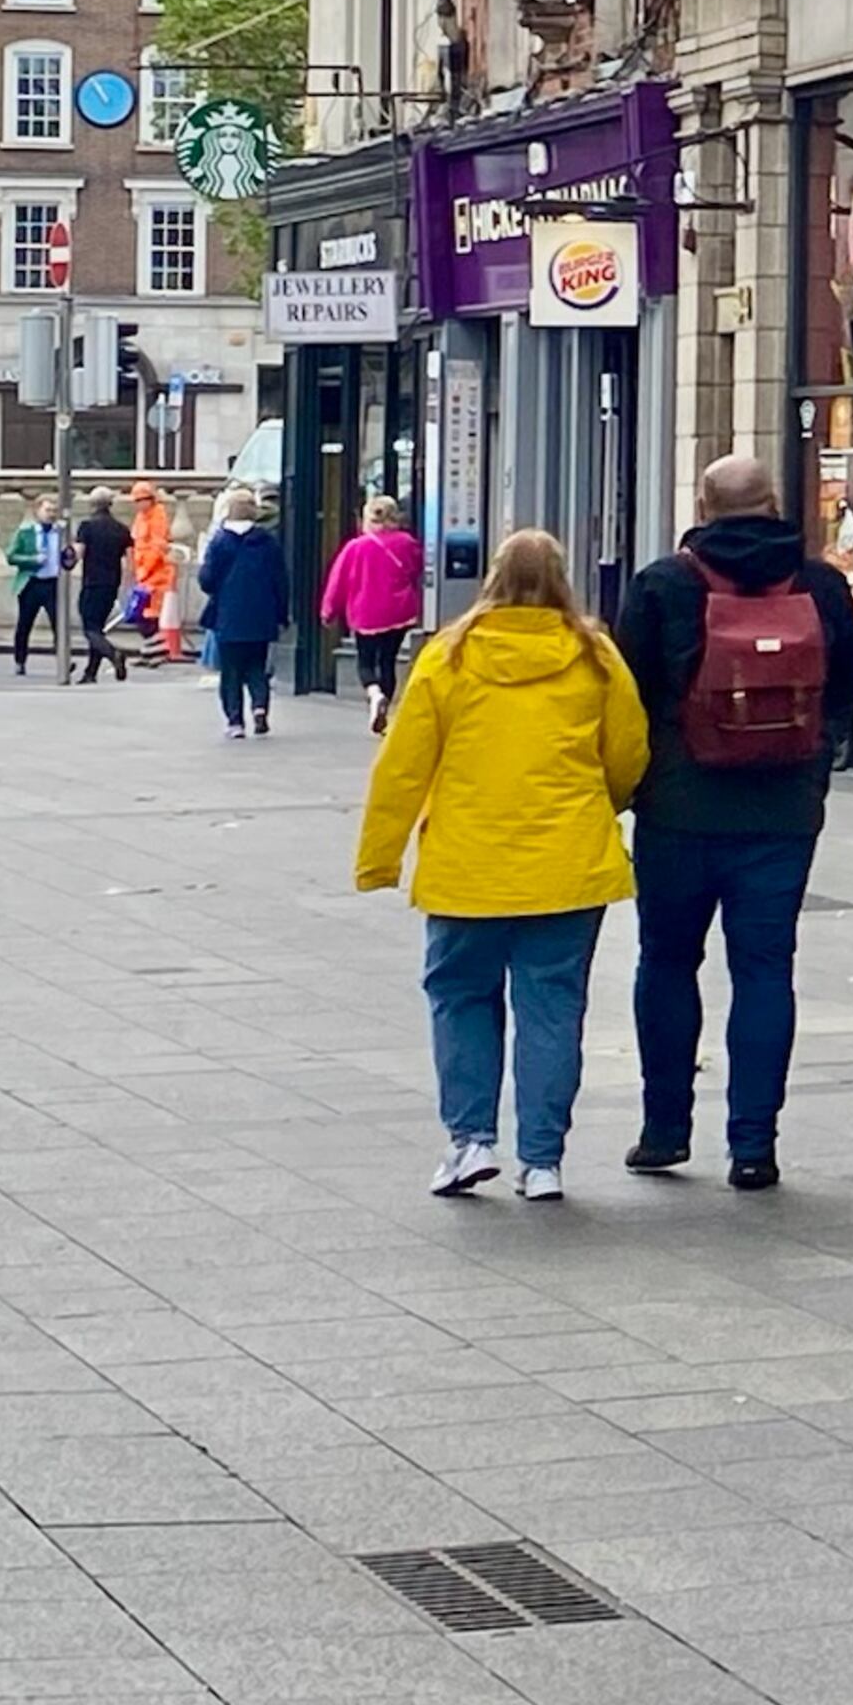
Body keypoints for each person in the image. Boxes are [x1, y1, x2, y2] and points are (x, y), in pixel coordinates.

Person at [352, 527, 649, 1202]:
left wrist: (379, 859)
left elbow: (404, 765)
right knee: (551, 1008)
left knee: (460, 998)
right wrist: (602, 802)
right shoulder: (594, 655)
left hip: (467, 868)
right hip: (567, 865)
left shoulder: (448, 655)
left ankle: (470, 1141)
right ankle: (542, 1160)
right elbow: (628, 750)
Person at [613, 455, 853, 1193]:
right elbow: (850, 675)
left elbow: (630, 692)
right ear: (775, 504)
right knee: (765, 970)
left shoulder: (664, 583)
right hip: (783, 810)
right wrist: (816, 759)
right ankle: (754, 1146)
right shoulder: (820, 585)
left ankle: (665, 1131)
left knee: (666, 962)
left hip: (680, 808)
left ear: (704, 503)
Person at [320, 495, 426, 733]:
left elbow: (338, 582)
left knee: (366, 660)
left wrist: (329, 610)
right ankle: (385, 706)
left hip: (364, 611)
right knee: (387, 659)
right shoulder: (406, 542)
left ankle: (374, 693)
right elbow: (417, 569)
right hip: (398, 611)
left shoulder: (355, 547)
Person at [195, 487, 291, 740]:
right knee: (257, 668)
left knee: (231, 672)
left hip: (228, 616)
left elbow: (207, 579)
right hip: (262, 616)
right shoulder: (268, 542)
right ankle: (259, 707)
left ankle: (235, 721)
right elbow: (280, 581)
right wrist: (282, 613)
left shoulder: (220, 542)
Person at [70, 490, 131, 685]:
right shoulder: (121, 529)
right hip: (112, 582)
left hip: (92, 581)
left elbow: (78, 553)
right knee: (99, 627)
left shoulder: (87, 527)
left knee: (90, 628)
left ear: (92, 505)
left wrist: (66, 561)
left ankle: (113, 654)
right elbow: (130, 559)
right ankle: (90, 673)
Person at [1, 508, 58, 676]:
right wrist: (32, 560)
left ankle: (63, 659)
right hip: (31, 583)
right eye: (47, 510)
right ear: (37, 512)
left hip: (52, 583)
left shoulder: (60, 532)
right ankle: (20, 660)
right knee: (25, 624)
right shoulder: (26, 532)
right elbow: (11, 555)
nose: (51, 514)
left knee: (59, 624)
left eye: (54, 510)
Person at [127, 483, 179, 660]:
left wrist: (145, 569)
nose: (138, 504)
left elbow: (157, 547)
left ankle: (155, 652)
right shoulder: (141, 517)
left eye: (141, 500)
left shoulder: (158, 516)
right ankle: (151, 651)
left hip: (156, 574)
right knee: (143, 615)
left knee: (150, 616)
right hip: (145, 573)